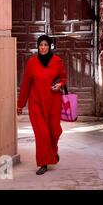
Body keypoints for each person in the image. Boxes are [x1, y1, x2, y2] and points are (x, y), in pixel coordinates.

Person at [17, 35, 67, 175]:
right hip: (36, 104)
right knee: (42, 134)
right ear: (38, 47)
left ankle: (53, 152)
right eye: (40, 45)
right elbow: (26, 85)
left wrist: (60, 85)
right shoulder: (32, 63)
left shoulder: (57, 61)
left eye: (45, 45)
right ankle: (43, 163)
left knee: (54, 131)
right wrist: (20, 104)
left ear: (49, 46)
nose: (43, 47)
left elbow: (63, 78)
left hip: (53, 103)